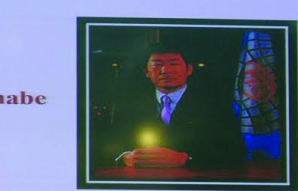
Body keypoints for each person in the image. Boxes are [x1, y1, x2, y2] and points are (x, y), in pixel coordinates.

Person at [93, 45, 245, 171]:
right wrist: (126, 157)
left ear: (189, 69)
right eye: (157, 65)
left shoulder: (214, 104)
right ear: (147, 73)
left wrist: (185, 159)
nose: (166, 70)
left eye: (173, 64)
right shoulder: (129, 104)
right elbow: (106, 146)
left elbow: (235, 152)